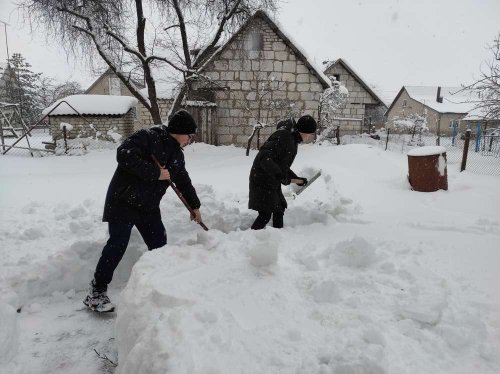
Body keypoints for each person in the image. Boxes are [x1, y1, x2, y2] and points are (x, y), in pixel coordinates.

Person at [84, 109, 202, 312]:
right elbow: (124, 155)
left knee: (160, 246)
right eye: (189, 135)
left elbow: (183, 180)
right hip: (123, 201)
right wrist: (155, 172)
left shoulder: (176, 155)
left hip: (148, 207)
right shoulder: (148, 137)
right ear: (179, 131)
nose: (190, 139)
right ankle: (97, 291)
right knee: (117, 244)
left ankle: (161, 286)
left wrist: (195, 206)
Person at [248, 115, 317, 230]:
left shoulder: (292, 139)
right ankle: (250, 240)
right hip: (262, 178)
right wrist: (279, 175)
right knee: (265, 214)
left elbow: (282, 165)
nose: (310, 136)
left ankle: (278, 236)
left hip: (270, 180)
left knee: (279, 209)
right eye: (310, 133)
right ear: (304, 131)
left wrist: (296, 179)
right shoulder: (284, 136)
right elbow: (264, 157)